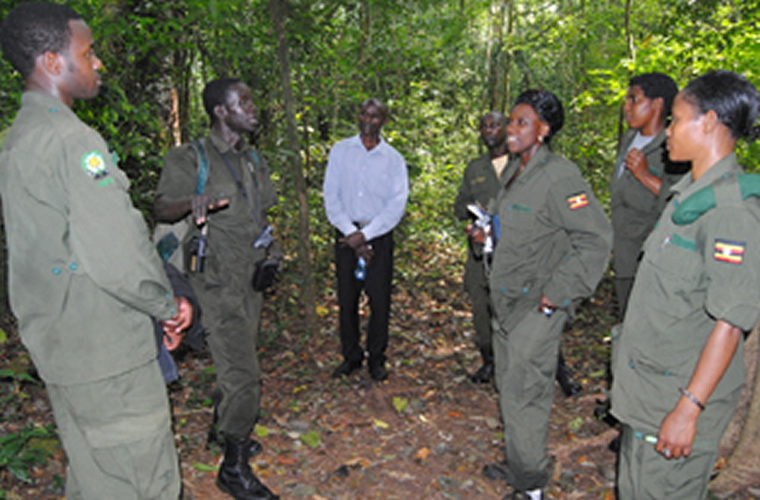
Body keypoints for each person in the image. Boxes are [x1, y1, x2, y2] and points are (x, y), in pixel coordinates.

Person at [0, 3, 192, 499]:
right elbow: (116, 254)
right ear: (51, 60)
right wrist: (167, 307)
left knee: (95, 480)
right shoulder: (72, 142)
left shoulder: (19, 139)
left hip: (64, 350)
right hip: (107, 357)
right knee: (143, 484)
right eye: (88, 52)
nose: (98, 63)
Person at [610, 70, 760, 500]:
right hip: (648, 395)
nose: (668, 132)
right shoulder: (686, 197)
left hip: (676, 401)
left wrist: (688, 410)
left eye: (676, 121)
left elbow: (730, 323)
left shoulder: (732, 212)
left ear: (709, 123)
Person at [154, 78, 280, 500]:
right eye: (243, 101)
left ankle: (220, 431)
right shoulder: (191, 157)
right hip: (211, 282)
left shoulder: (253, 159)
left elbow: (261, 213)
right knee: (245, 375)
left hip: (251, 279)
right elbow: (161, 205)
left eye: (251, 98)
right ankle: (233, 467)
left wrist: (271, 254)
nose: (252, 106)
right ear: (221, 112)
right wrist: (194, 203)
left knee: (236, 359)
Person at [483, 90, 612, 500]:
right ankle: (521, 463)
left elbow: (596, 239)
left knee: (527, 395)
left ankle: (532, 488)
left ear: (545, 129)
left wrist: (556, 295)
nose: (511, 129)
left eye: (522, 122)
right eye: (511, 121)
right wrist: (484, 234)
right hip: (506, 302)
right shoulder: (515, 171)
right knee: (510, 388)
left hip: (535, 308)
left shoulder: (560, 176)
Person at [454, 111, 581, 395]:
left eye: (496, 125)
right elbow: (459, 205)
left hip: (522, 255)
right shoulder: (475, 168)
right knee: (482, 308)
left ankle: (558, 370)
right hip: (483, 253)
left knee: (534, 311)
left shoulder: (525, 165)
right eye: (484, 125)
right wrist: (475, 212)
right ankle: (490, 363)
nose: (489, 130)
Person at [323, 98, 409, 381]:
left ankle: (377, 359)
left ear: (384, 121)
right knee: (347, 300)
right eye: (364, 114)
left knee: (379, 301)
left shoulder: (393, 159)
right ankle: (351, 357)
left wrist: (367, 235)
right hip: (346, 236)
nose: (368, 120)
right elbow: (331, 196)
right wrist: (352, 235)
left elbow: (396, 205)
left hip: (379, 237)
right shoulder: (340, 151)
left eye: (375, 116)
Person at [611, 72, 689, 318]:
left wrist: (645, 175)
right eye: (627, 100)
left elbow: (682, 201)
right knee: (625, 324)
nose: (627, 107)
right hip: (624, 256)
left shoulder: (675, 145)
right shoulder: (629, 139)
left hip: (653, 259)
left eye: (634, 100)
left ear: (657, 104)